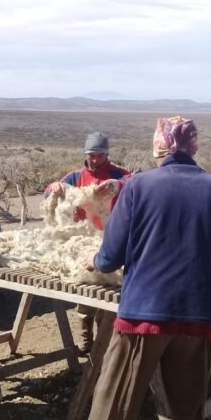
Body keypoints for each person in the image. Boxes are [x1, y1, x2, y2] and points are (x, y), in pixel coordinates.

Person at [64, 117, 211, 420]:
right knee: (188, 400)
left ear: (158, 146)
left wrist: (94, 260)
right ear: (193, 146)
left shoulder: (138, 186)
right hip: (199, 313)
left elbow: (111, 255)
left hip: (145, 311)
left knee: (119, 390)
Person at [45, 132, 130, 355]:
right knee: (85, 293)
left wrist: (117, 185)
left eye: (100, 155)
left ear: (107, 154)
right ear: (85, 154)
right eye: (91, 155)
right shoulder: (75, 177)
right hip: (84, 242)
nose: (95, 160)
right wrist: (54, 187)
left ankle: (104, 344)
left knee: (109, 294)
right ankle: (86, 340)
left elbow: (134, 185)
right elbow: (48, 195)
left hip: (112, 241)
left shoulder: (118, 174)